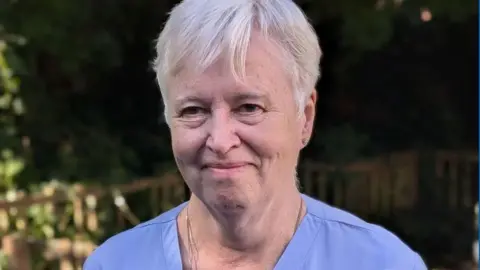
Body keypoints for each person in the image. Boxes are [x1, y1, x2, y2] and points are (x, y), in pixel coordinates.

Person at [84, 0, 428, 269]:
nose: (219, 140)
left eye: (249, 107)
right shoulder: (114, 264)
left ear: (304, 118)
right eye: (193, 110)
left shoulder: (382, 264)